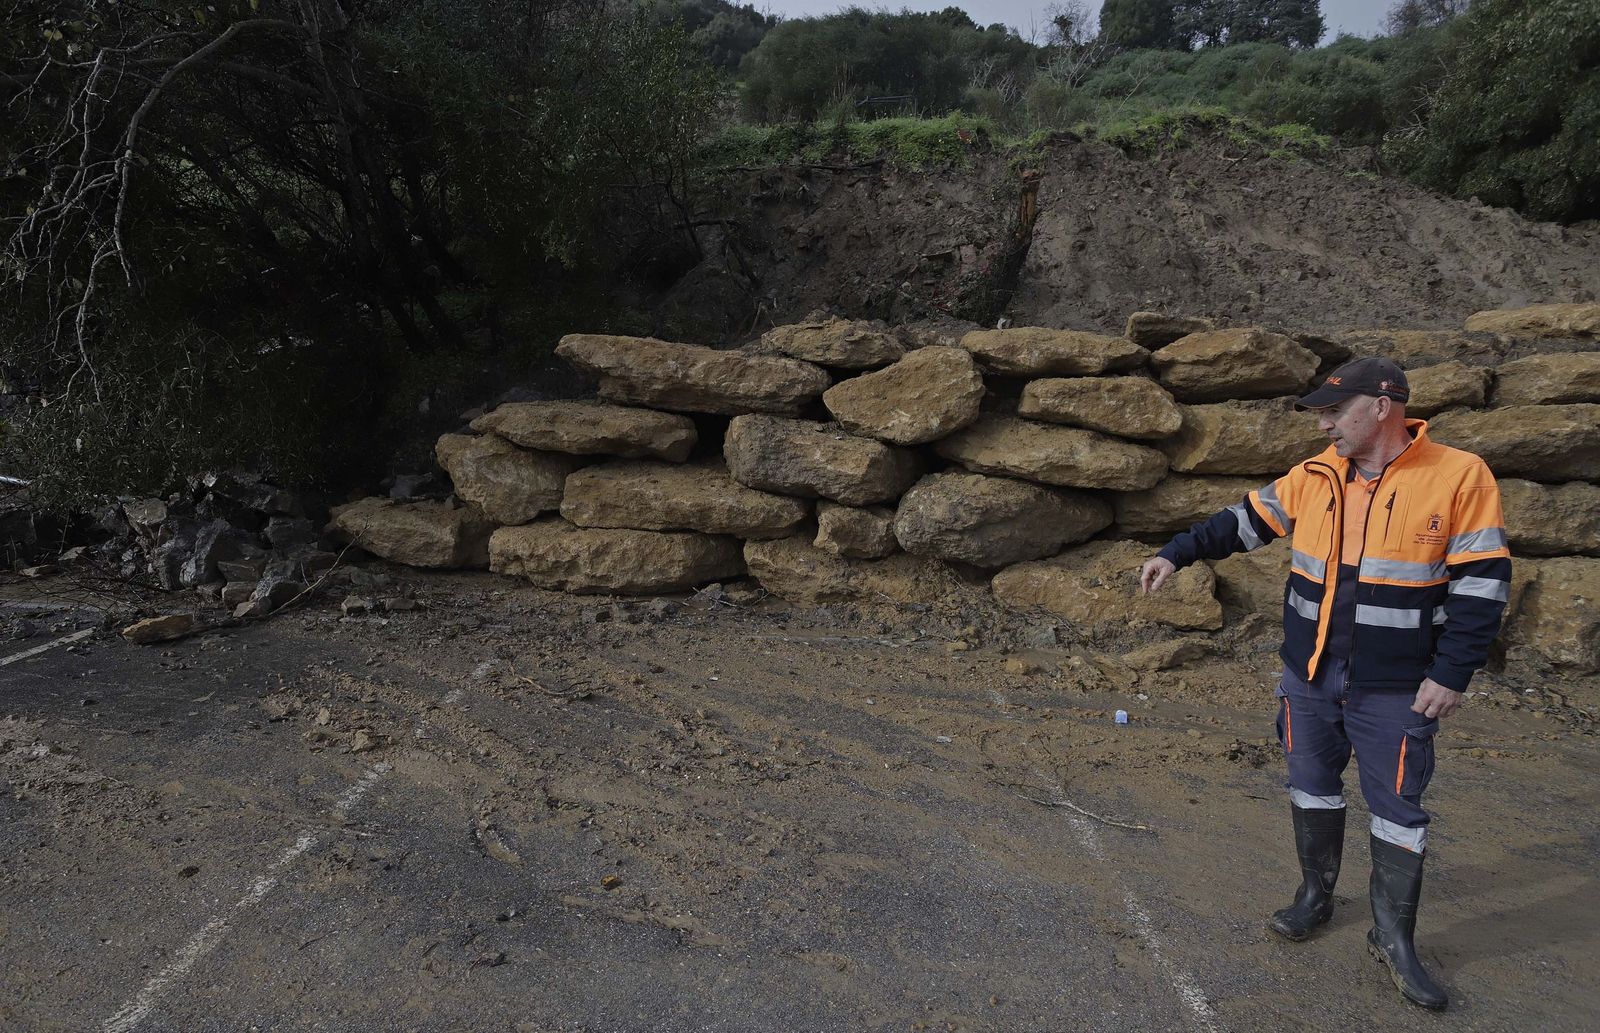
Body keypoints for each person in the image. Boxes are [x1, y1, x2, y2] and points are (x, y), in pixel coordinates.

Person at [1139, 356, 1510, 1010]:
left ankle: (1393, 935)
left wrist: (1451, 673)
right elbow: (1243, 521)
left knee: (1399, 810)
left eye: (1335, 410)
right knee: (1310, 786)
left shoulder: (1458, 476)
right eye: (1321, 411)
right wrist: (1177, 551)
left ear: (1384, 406)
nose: (1324, 422)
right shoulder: (1315, 475)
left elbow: (1482, 586)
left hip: (1397, 687)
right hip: (1308, 675)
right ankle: (1316, 893)